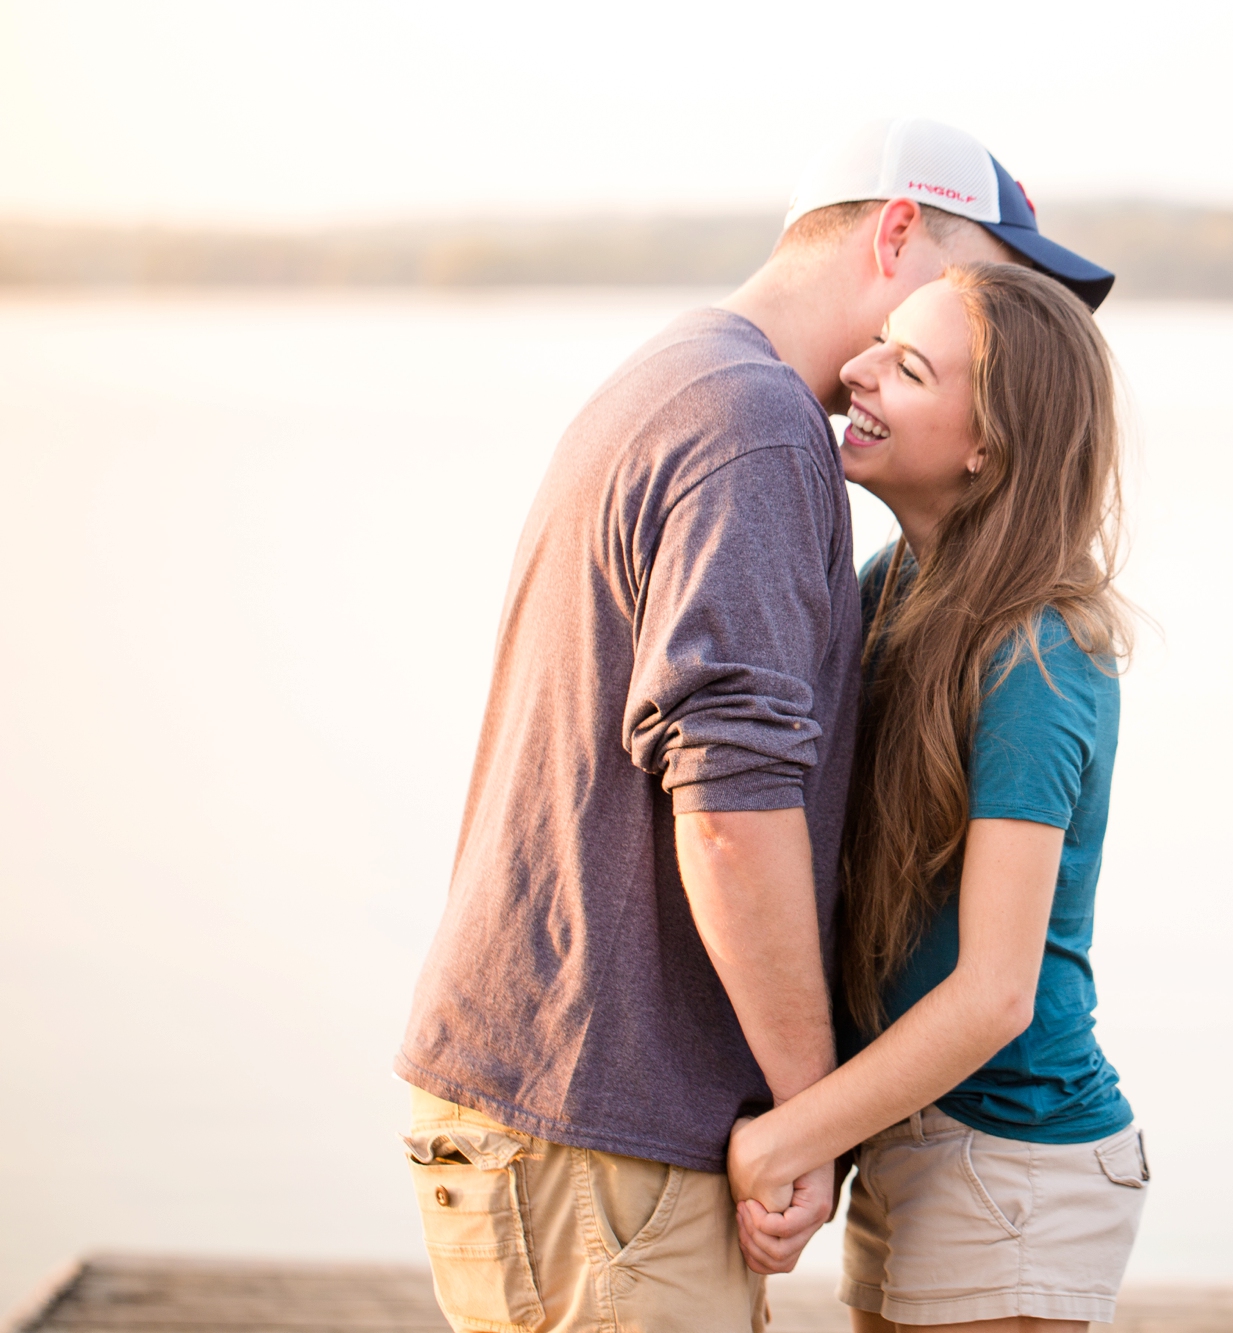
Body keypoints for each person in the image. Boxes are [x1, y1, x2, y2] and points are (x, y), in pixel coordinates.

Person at [394, 119, 1115, 1333]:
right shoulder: (759, 427)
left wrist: (797, 1125)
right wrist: (805, 1118)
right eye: (980, 284)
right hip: (597, 1126)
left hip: (560, 1108)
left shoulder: (685, 374)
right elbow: (729, 812)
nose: (994, 327)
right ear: (897, 233)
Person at [726, 261, 1144, 1333]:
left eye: (905, 367)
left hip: (1014, 1164)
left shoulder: (1037, 656)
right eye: (877, 343)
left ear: (986, 446)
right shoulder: (893, 590)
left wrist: (793, 1135)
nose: (853, 371)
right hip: (920, 1135)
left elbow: (994, 991)